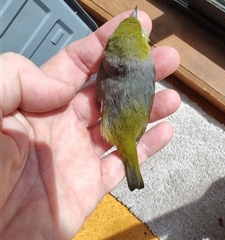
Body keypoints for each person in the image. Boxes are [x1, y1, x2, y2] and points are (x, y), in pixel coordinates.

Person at [0, 10, 180, 239]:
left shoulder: (108, 65)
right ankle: (131, 155)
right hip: (131, 126)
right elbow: (146, 100)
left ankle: (130, 152)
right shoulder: (147, 66)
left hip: (116, 123)